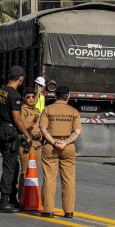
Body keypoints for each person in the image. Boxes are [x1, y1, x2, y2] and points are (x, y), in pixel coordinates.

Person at [39, 85, 81, 218]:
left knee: (49, 178)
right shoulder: (73, 111)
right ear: (68, 97)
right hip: (68, 147)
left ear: (55, 96)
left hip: (52, 146)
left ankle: (48, 210)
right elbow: (77, 131)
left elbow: (43, 129)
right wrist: (66, 142)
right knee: (69, 180)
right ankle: (68, 211)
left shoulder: (48, 109)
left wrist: (54, 142)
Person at [0, 65, 29, 213]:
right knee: (10, 167)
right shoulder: (14, 95)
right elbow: (17, 118)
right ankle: (4, 201)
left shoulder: (1, 90)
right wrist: (27, 135)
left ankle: (12, 199)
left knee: (14, 166)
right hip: (10, 131)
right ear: (20, 79)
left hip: (2, 128)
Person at [18, 86, 43, 198]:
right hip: (28, 142)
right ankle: (21, 197)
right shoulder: (23, 110)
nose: (32, 99)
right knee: (25, 172)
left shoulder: (36, 110)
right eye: (28, 97)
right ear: (24, 98)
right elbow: (21, 126)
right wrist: (33, 122)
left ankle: (31, 197)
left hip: (38, 143)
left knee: (34, 173)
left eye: (33, 97)